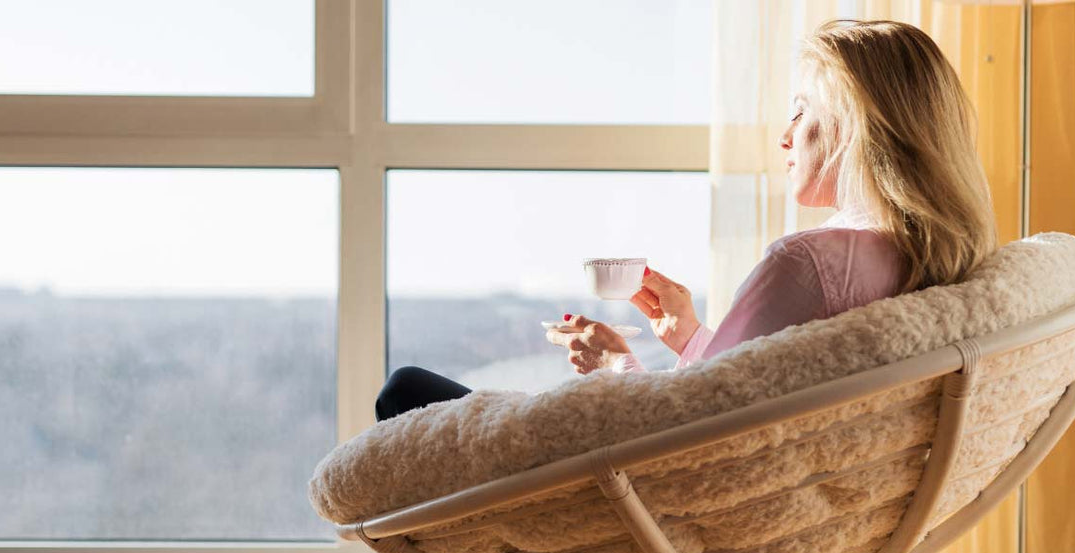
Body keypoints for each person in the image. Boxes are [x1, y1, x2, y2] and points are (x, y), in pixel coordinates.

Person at [376, 19, 995, 423]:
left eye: (801, 112)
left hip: (645, 509)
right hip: (755, 509)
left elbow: (685, 432)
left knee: (405, 391)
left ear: (856, 128)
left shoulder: (808, 263)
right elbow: (736, 397)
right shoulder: (923, 262)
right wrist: (689, 338)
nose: (783, 137)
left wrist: (613, 364)